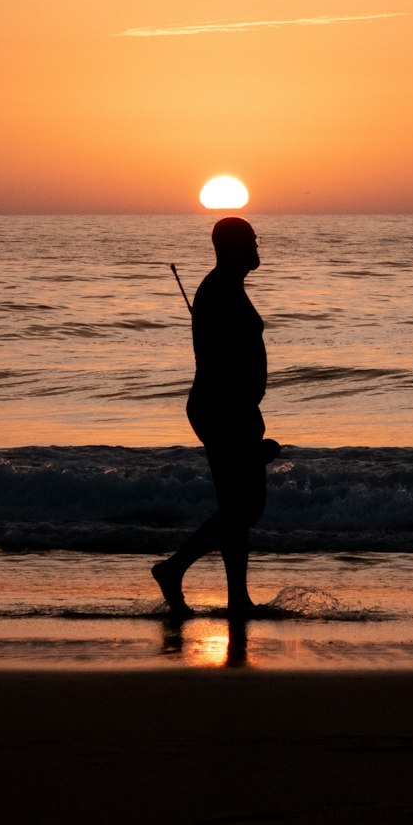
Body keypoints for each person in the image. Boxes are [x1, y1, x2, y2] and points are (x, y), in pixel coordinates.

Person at [153, 217, 279, 618]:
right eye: (252, 241)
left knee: (239, 508)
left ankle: (236, 597)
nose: (258, 247)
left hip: (234, 408)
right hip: (224, 408)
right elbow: (220, 361)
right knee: (242, 508)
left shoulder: (226, 287)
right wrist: (242, 421)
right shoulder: (219, 289)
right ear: (233, 246)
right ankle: (174, 568)